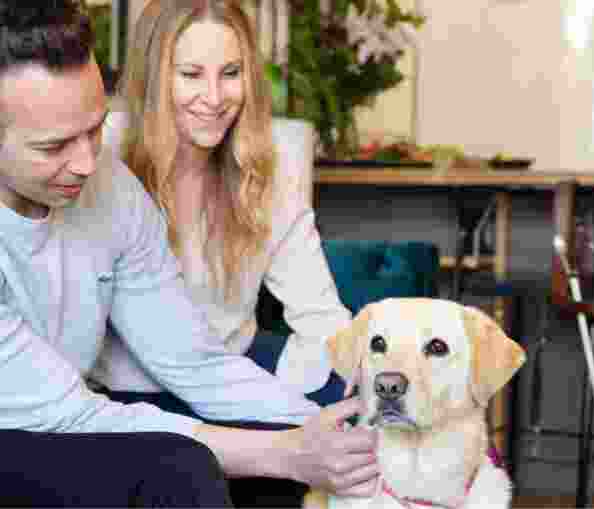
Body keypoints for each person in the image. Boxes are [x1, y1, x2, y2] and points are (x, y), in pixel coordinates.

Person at [0, 1, 377, 507]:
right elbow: (72, 415)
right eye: (54, 148)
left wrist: (330, 433)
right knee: (183, 467)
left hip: (66, 418)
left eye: (94, 129)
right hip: (34, 424)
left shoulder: (111, 187)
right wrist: (283, 452)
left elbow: (190, 356)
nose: (88, 163)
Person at [92, 0, 351, 413]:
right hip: (130, 390)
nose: (213, 98)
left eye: (231, 73)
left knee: (359, 396)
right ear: (153, 79)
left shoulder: (269, 168)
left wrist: (314, 388)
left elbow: (322, 317)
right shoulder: (102, 159)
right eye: (191, 74)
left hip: (234, 374)